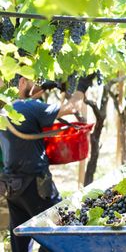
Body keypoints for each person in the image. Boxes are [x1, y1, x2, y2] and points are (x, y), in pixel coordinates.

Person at [0, 74, 94, 252]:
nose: (36, 85)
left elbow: (27, 108)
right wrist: (82, 86)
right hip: (35, 184)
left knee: (20, 236)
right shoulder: (29, 107)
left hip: (12, 185)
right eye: (33, 82)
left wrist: (42, 89)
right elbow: (72, 107)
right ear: (22, 82)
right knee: (59, 228)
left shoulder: (8, 109)